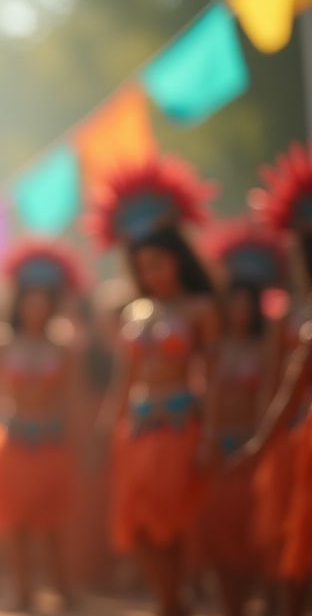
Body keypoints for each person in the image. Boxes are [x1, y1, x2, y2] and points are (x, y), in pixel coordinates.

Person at [89, 155, 219, 616]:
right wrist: (109, 423)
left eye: (159, 263)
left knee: (177, 521)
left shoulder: (201, 309)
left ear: (178, 261)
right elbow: (126, 375)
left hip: (182, 423)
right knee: (137, 523)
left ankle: (172, 601)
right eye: (142, 265)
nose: (151, 273)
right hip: (138, 429)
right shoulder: (134, 313)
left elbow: (214, 374)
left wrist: (209, 432)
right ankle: (170, 599)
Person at [0, 239, 85, 612]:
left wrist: (81, 442)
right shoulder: (1, 341)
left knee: (51, 524)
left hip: (51, 442)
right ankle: (22, 590)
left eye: (45, 298)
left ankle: (62, 588)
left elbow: (71, 398)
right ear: (19, 300)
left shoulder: (63, 345)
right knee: (13, 525)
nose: (37, 305)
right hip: (9, 442)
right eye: (31, 297)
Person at [238, 141, 312, 616]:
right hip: (298, 441)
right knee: (293, 534)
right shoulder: (291, 315)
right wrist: (263, 438)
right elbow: (279, 385)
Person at [195, 221, 284, 616]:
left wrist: (261, 445)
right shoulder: (213, 346)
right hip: (216, 448)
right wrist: (206, 438)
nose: (241, 310)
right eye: (234, 301)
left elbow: (268, 394)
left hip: (251, 448)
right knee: (215, 534)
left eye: (248, 302)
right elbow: (206, 393)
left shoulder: (269, 346)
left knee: (252, 536)